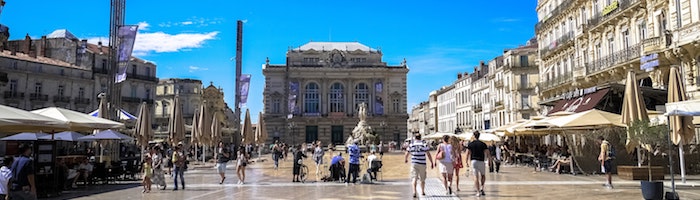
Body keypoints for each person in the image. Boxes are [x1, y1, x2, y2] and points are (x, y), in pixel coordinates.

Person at [405, 134, 434, 198]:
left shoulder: (411, 144)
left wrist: (406, 159)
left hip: (414, 163)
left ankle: (414, 192)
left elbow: (407, 152)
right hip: (422, 163)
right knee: (422, 179)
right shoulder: (424, 144)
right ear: (420, 138)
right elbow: (428, 154)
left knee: (414, 178)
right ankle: (422, 191)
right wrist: (431, 162)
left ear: (415, 138)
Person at [466, 131, 491, 197]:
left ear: (474, 136)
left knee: (475, 176)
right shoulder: (483, 144)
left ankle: (478, 191)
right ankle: (482, 188)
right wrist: (489, 161)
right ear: (479, 136)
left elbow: (467, 153)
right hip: (481, 161)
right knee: (483, 175)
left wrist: (466, 162)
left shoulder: (470, 144)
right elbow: (488, 153)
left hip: (473, 161)